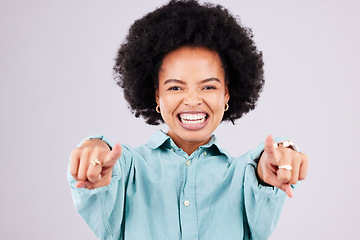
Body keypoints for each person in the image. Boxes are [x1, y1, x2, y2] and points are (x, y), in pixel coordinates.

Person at [68, 0, 308, 239]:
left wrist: (278, 157)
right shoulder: (127, 169)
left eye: (208, 87)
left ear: (226, 94)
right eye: (175, 88)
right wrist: (94, 149)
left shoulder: (244, 177)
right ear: (157, 96)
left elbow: (263, 171)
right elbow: (102, 170)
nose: (192, 100)